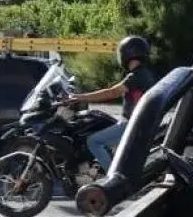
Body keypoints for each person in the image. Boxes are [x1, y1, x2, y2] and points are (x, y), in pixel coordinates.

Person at [66, 35, 157, 173]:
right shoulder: (144, 74)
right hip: (137, 122)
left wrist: (80, 97)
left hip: (131, 124)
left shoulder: (135, 76)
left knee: (93, 141)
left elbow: (112, 92)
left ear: (125, 54)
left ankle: (112, 177)